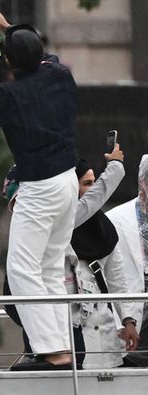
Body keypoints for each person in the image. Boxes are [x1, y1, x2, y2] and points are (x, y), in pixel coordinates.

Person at [0, 13, 78, 370]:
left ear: (10, 61)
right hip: (67, 181)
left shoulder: (13, 95)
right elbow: (48, 57)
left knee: (21, 270)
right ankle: (63, 346)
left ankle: (52, 351)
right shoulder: (60, 76)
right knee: (50, 269)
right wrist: (11, 31)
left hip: (40, 186)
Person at [67, 148, 141, 369]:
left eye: (94, 183)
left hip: (106, 334)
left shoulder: (104, 229)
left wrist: (128, 321)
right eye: (86, 184)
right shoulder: (60, 226)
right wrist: (116, 168)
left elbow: (117, 279)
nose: (92, 190)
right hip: (72, 333)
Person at [105, 153, 148, 366]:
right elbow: (108, 274)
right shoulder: (115, 219)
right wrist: (123, 319)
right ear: (143, 182)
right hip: (133, 314)